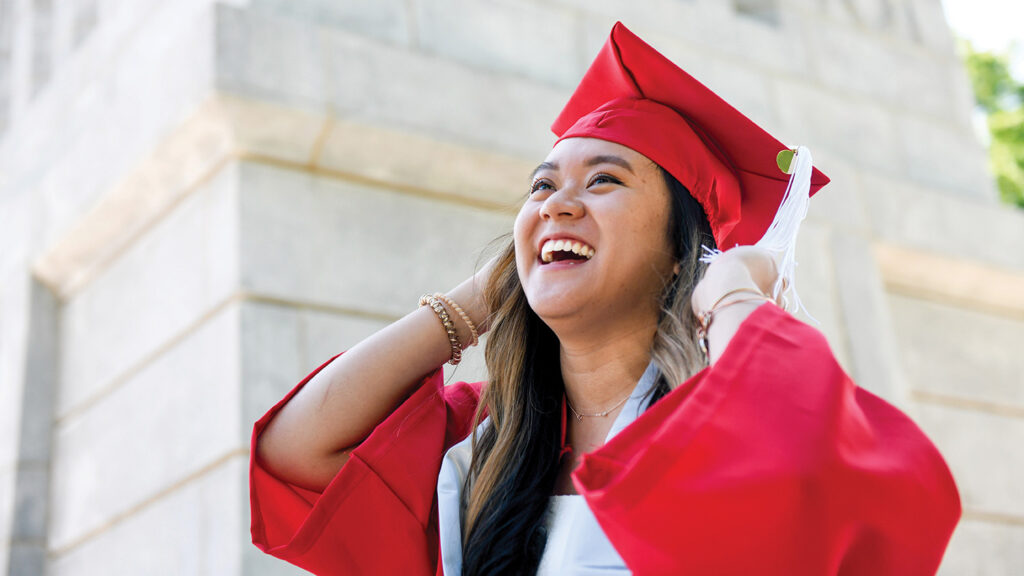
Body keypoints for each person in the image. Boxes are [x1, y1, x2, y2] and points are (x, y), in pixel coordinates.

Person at [249, 22, 961, 576]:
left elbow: (822, 476)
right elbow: (297, 453)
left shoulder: (717, 426)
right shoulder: (486, 440)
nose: (557, 204)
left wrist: (733, 291)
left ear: (682, 250)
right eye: (541, 187)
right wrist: (478, 301)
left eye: (603, 182)